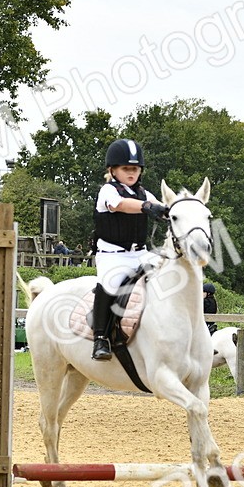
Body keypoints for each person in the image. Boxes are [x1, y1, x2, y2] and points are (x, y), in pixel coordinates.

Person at [91, 138, 169, 360]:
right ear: (112, 170)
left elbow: (160, 208)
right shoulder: (108, 191)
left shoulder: (145, 193)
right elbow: (121, 205)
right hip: (112, 256)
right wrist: (147, 207)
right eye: (126, 168)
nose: (131, 173)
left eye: (135, 169)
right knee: (110, 284)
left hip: (141, 253)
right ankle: (100, 338)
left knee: (169, 275)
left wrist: (171, 212)